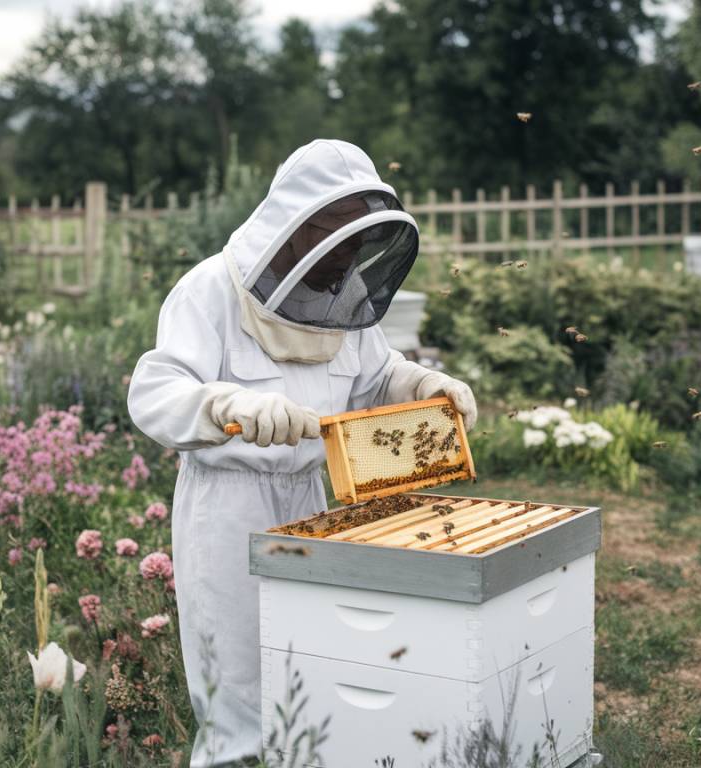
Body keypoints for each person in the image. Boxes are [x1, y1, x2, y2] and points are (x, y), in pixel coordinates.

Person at [127, 139, 477, 767]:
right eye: (332, 238)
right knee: (235, 684)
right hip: (229, 509)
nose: (343, 257)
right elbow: (154, 391)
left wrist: (423, 385)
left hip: (312, 504)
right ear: (295, 224)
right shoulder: (210, 289)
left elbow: (375, 377)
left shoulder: (345, 301)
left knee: (313, 666)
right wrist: (225, 406)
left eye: (353, 243)